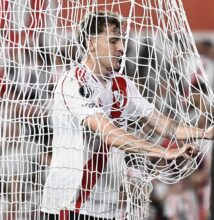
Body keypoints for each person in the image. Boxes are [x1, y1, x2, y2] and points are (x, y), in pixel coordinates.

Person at [40, 11, 214, 220]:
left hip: (109, 205)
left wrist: (203, 133)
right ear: (91, 43)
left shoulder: (122, 85)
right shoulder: (74, 82)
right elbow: (111, 134)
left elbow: (163, 124)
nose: (121, 48)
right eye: (113, 41)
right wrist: (163, 151)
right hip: (69, 206)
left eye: (121, 40)